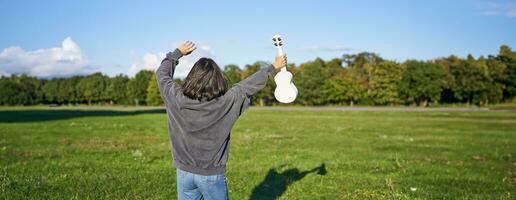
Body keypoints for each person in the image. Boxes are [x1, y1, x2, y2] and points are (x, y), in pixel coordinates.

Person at [156, 41, 287, 200]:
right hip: (212, 176)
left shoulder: (175, 97)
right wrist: (272, 67)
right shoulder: (225, 103)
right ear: (218, 80)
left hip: (184, 173)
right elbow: (246, 87)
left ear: (191, 78)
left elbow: (162, 76)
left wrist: (177, 53)